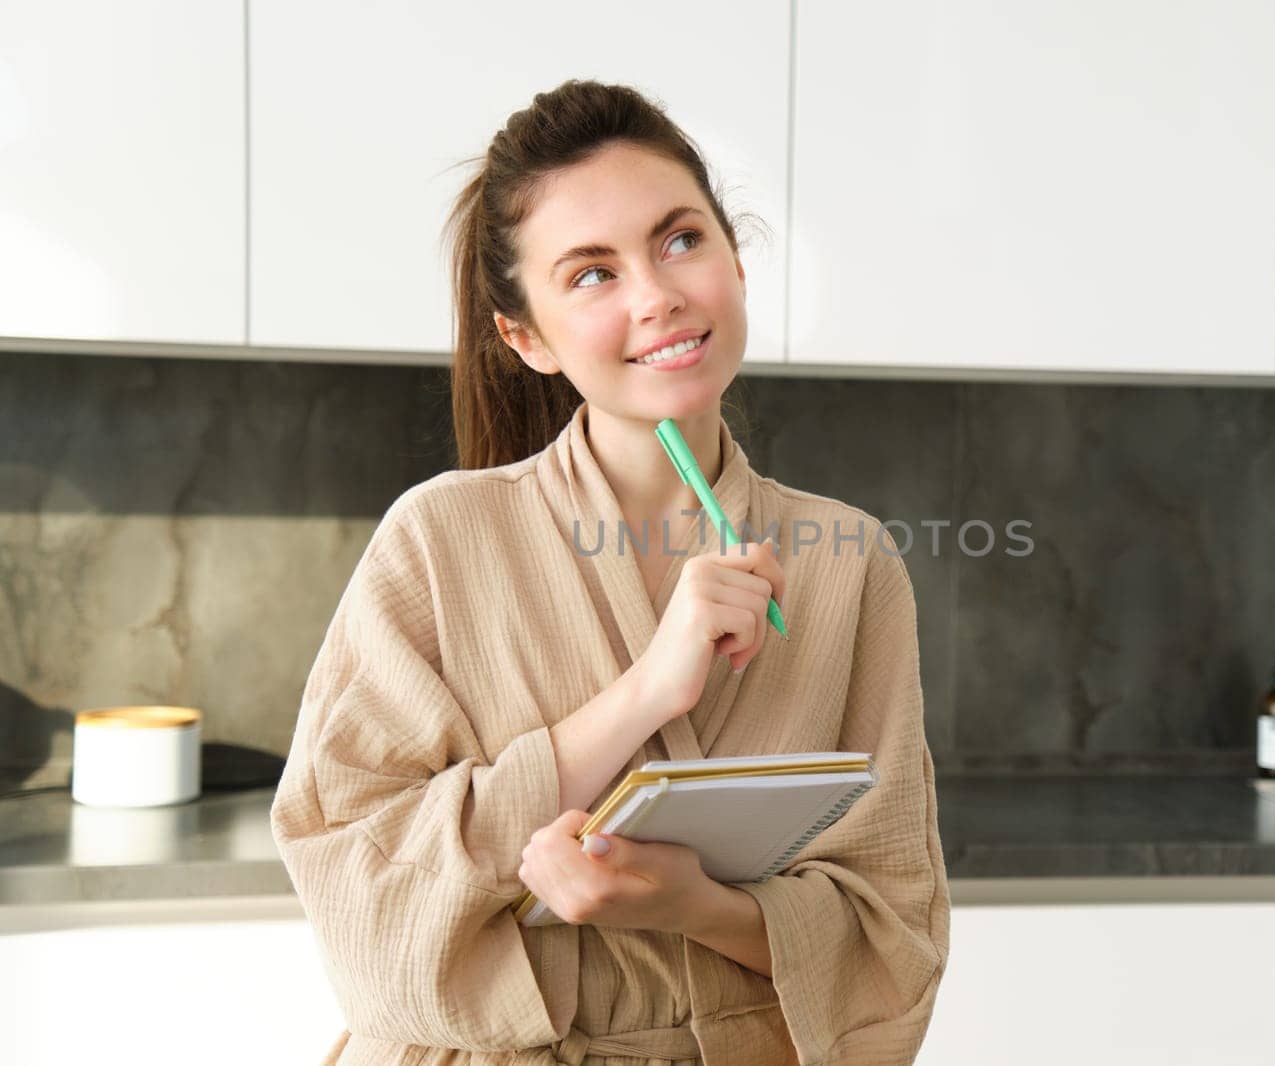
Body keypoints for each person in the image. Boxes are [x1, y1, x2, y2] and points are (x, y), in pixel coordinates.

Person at [270, 78, 950, 1066]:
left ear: (735, 260)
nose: (657, 294)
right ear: (527, 337)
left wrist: (700, 908)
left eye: (681, 240)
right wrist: (643, 695)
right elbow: (354, 882)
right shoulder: (438, 539)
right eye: (591, 274)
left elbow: (896, 928)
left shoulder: (847, 565)